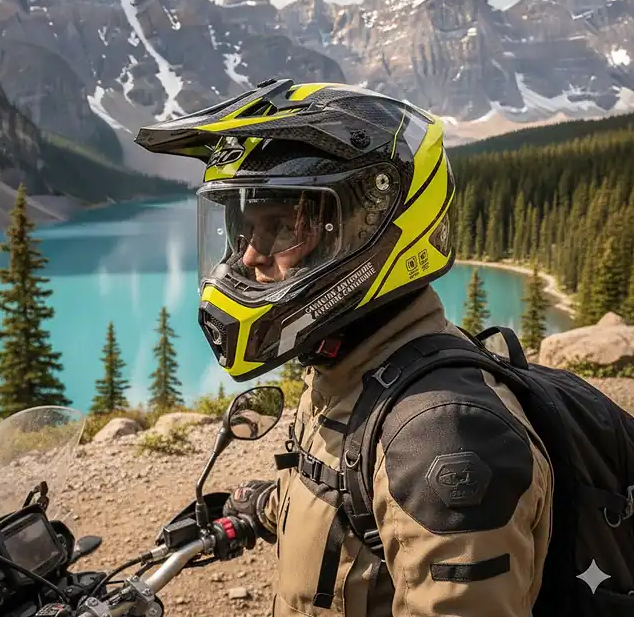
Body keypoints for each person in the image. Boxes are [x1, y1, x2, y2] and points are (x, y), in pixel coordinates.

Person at [135, 80, 553, 617]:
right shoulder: (355, 368)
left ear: (367, 229)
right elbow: (354, 498)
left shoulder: (442, 441)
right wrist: (258, 507)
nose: (246, 261)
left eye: (282, 229)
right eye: (243, 230)